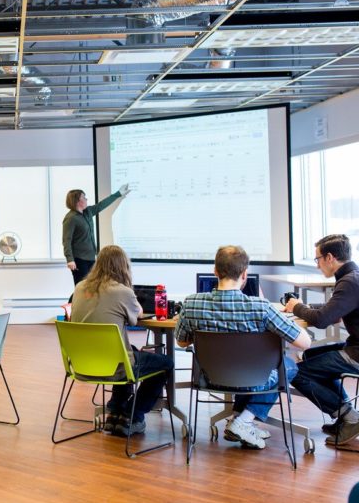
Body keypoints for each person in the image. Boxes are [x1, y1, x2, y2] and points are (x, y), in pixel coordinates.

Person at [176, 245, 311, 450]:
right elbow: (304, 343)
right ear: (245, 274)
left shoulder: (191, 304)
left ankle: (239, 419)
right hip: (255, 380)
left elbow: (182, 342)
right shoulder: (261, 307)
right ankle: (244, 419)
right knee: (289, 366)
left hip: (210, 379)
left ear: (215, 271)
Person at [286, 234, 359, 446]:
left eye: (317, 259)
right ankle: (346, 416)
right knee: (310, 356)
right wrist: (304, 308)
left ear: (330, 257)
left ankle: (351, 417)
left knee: (297, 372)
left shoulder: (350, 283)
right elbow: (334, 311)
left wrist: (297, 308)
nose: (317, 265)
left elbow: (322, 320)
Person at [70, 245, 173, 437]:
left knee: (127, 350)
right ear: (123, 266)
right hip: (114, 366)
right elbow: (138, 316)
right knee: (165, 363)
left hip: (82, 364)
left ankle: (115, 410)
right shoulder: (122, 292)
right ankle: (133, 415)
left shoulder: (79, 288)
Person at [62, 185, 130, 289]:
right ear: (77, 201)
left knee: (93, 287)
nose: (86, 199)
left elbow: (101, 205)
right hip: (79, 260)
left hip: (91, 258)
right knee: (82, 288)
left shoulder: (87, 212)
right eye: (84, 197)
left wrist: (118, 194)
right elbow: (66, 240)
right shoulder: (70, 218)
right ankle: (76, 305)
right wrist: (69, 259)